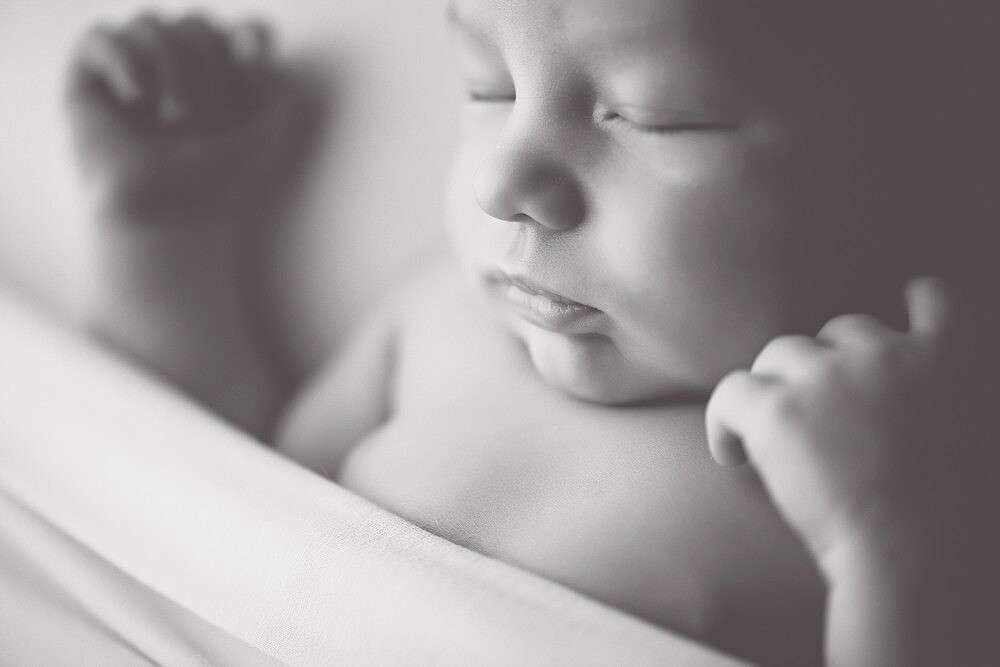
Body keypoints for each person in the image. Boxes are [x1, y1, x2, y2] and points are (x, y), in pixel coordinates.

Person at [66, 3, 996, 664]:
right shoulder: (438, 322)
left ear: (906, 171)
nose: (502, 180)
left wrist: (891, 548)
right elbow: (201, 525)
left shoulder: (871, 477)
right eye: (488, 87)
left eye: (652, 116)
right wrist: (165, 248)